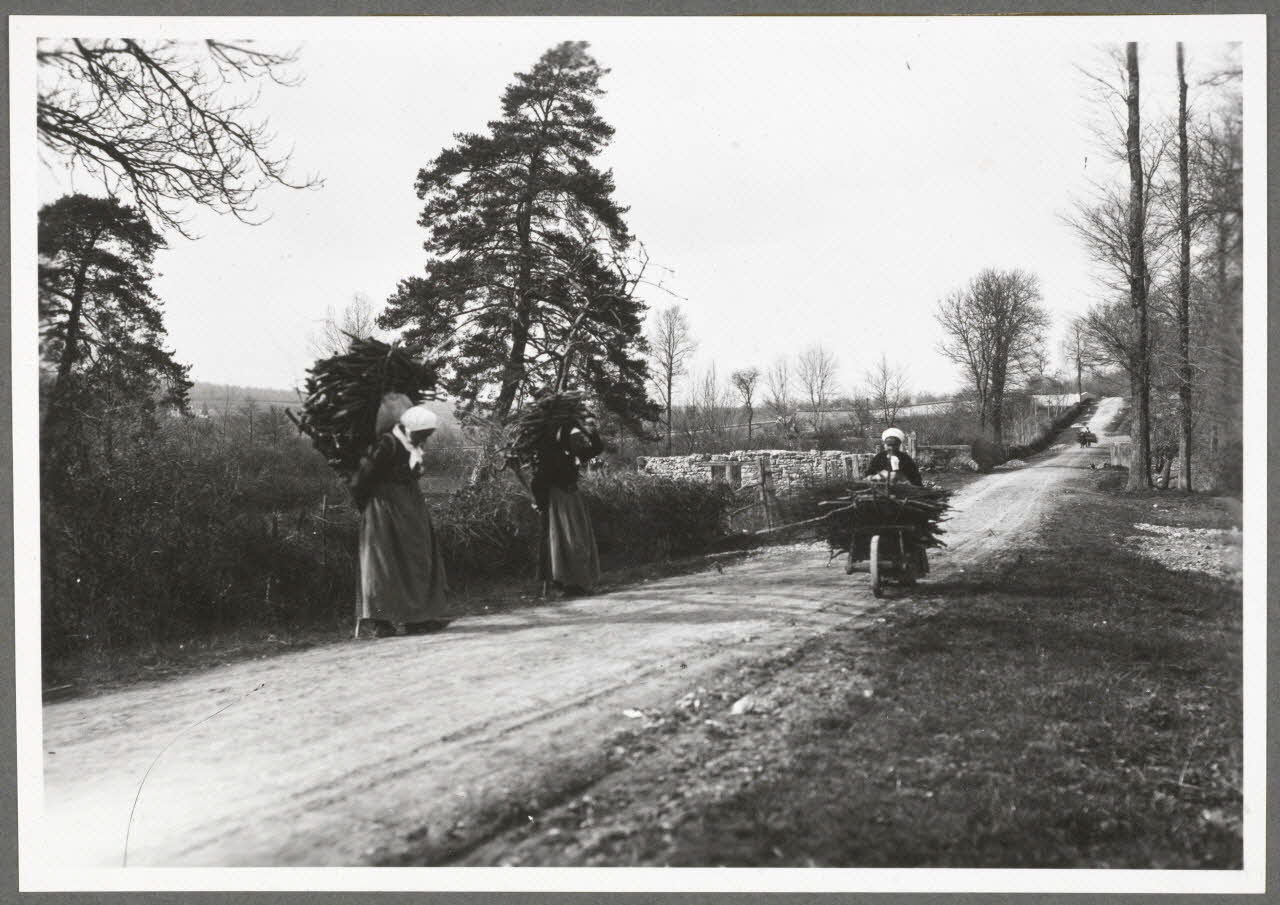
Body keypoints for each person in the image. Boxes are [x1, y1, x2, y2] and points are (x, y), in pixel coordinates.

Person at [348, 404, 451, 638]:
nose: (425, 439)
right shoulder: (387, 444)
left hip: (410, 507)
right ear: (411, 428)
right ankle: (381, 621)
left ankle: (417, 617)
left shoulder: (411, 444)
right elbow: (362, 477)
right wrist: (367, 506)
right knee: (385, 563)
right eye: (422, 434)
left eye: (428, 435)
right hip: (385, 508)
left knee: (417, 557)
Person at [530, 411, 605, 596]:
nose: (577, 440)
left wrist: (593, 431)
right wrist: (541, 503)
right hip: (560, 501)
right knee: (568, 542)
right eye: (573, 436)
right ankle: (568, 584)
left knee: (579, 541)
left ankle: (579, 583)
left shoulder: (571, 451)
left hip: (572, 498)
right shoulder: (552, 454)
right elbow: (538, 481)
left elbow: (596, 449)